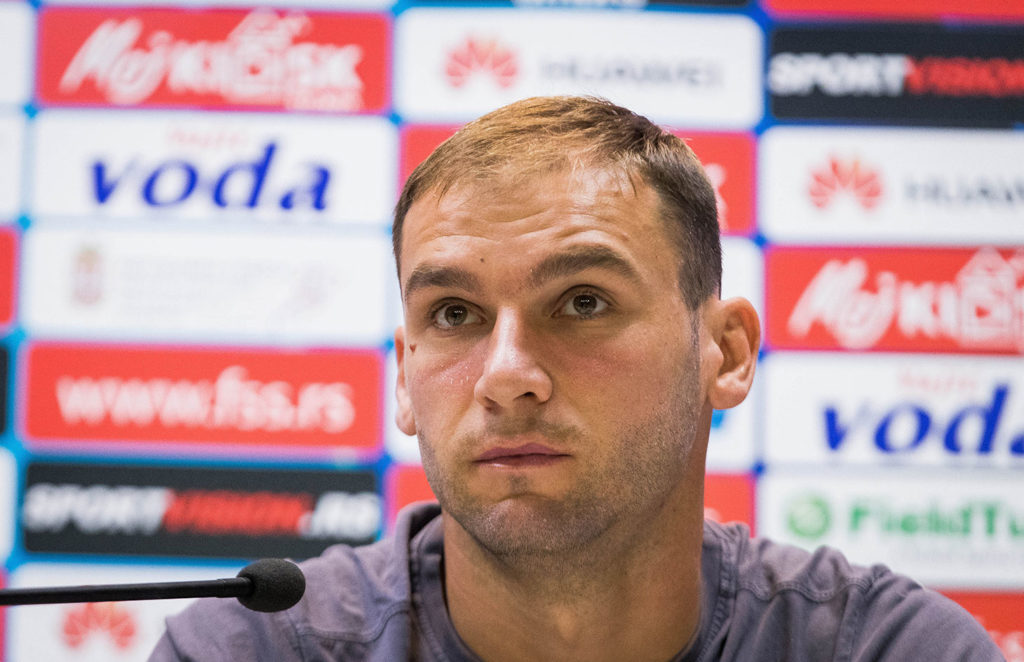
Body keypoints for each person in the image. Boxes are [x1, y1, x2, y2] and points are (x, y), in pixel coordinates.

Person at [150, 96, 1001, 661]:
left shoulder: (894, 650)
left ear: (727, 352)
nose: (507, 376)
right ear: (405, 380)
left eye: (583, 302)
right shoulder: (251, 648)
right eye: (454, 313)